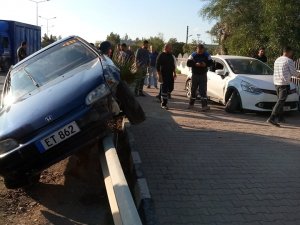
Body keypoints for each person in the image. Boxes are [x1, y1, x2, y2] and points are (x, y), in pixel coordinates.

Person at [267, 46, 300, 127]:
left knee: (280, 100)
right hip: (284, 83)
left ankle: (280, 117)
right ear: (288, 52)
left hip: (277, 82)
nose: (292, 54)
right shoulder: (289, 60)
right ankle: (272, 117)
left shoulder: (277, 60)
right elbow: (294, 73)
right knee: (281, 100)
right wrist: (298, 75)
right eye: (291, 52)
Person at [187, 44, 213, 111]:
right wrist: (195, 64)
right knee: (193, 90)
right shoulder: (193, 55)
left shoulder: (207, 55)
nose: (200, 52)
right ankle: (191, 104)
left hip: (203, 75)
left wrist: (205, 64)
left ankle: (204, 106)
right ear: (197, 49)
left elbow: (211, 63)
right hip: (195, 75)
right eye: (199, 50)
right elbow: (188, 63)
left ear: (203, 49)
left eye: (201, 50)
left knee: (203, 91)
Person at [156, 43, 177, 110]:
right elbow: (157, 66)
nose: (171, 49)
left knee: (171, 88)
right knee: (164, 89)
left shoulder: (171, 56)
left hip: (170, 75)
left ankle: (163, 96)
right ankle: (164, 103)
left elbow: (173, 65)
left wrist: (175, 73)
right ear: (166, 48)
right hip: (163, 75)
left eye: (171, 48)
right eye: (170, 48)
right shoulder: (161, 55)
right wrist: (159, 75)